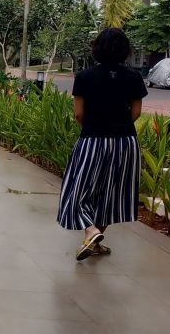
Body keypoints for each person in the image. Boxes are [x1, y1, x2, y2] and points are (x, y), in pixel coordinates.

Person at [57, 28, 147, 261]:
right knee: (111, 194)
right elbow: (136, 112)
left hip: (93, 140)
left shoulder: (85, 77)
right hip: (125, 143)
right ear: (125, 50)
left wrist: (94, 127)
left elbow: (78, 114)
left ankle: (91, 231)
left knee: (75, 189)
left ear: (97, 48)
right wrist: (118, 125)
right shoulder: (134, 77)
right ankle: (95, 243)